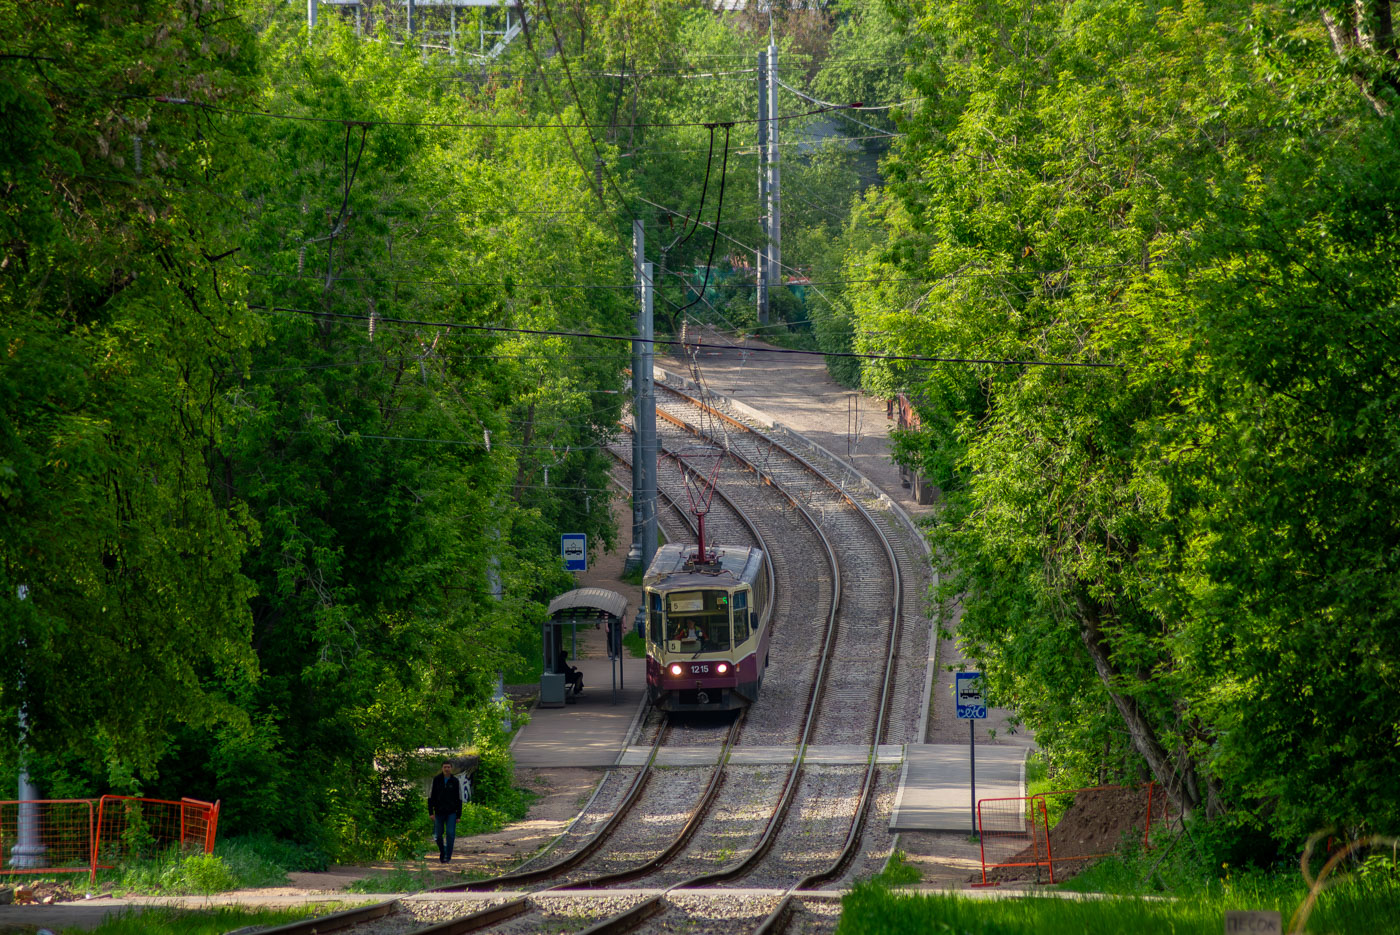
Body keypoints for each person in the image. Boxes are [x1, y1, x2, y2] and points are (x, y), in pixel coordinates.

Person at [428, 761, 463, 863]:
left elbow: (459, 799)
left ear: (451, 768)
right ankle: (442, 850)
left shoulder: (455, 781)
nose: (446, 769)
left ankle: (448, 856)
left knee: (450, 833)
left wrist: (458, 815)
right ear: (442, 768)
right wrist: (431, 812)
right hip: (439, 812)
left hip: (451, 812)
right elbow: (431, 797)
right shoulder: (436, 780)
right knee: (437, 835)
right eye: (444, 767)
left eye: (448, 767)